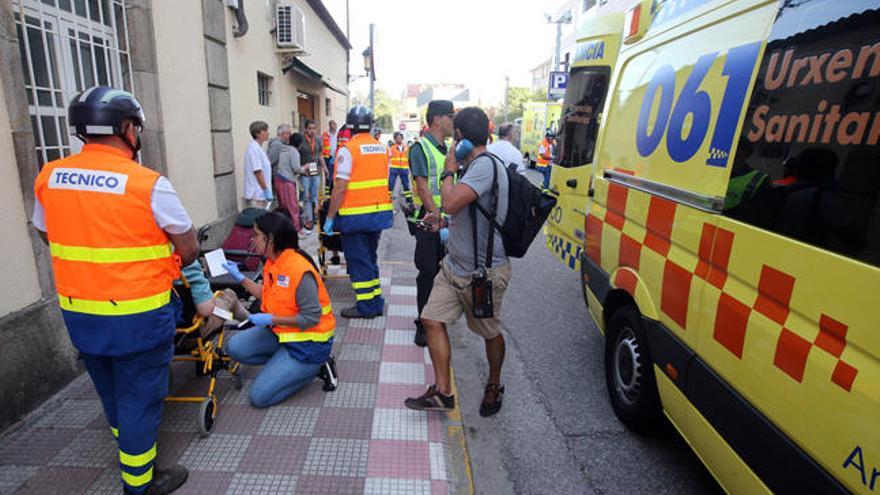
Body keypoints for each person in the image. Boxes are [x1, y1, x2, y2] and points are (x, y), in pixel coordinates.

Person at [32, 86, 197, 494]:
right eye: (136, 128)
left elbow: (44, 232)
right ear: (126, 129)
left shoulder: (50, 176)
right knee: (140, 398)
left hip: (81, 313)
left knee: (111, 394)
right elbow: (189, 247)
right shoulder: (148, 184)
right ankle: (140, 483)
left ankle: (131, 452)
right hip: (138, 317)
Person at [405, 107, 511, 418]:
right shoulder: (474, 166)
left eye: (455, 137)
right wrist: (444, 225)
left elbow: (449, 200)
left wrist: (448, 170)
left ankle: (494, 383)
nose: (452, 143)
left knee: (490, 332)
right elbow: (465, 211)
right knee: (431, 319)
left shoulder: (483, 166)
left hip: (483, 273)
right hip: (454, 268)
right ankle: (443, 392)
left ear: (461, 138)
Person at [222, 212, 338, 406]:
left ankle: (318, 365)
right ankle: (284, 364)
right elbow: (268, 293)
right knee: (234, 347)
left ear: (271, 239)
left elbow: (311, 318)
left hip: (309, 345)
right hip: (282, 335)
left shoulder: (299, 270)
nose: (252, 239)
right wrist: (240, 277)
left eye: (256, 235)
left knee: (259, 397)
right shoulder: (274, 261)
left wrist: (270, 320)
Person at [324, 106, 393, 318]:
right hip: (378, 214)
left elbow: (340, 187)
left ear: (349, 126)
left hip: (355, 216)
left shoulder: (347, 150)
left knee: (358, 261)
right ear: (371, 124)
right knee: (369, 259)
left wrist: (329, 218)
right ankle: (375, 301)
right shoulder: (383, 149)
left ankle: (366, 308)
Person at [408, 100, 454, 346]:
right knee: (427, 273)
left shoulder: (447, 148)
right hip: (429, 223)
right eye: (450, 116)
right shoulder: (420, 148)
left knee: (442, 274)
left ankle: (437, 318)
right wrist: (439, 217)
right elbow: (423, 189)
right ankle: (423, 324)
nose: (453, 121)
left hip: (446, 223)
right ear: (438, 119)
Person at [298, 119, 326, 234]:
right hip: (305, 173)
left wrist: (325, 168)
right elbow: (296, 155)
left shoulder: (318, 140)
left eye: (314, 128)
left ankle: (315, 218)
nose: (312, 131)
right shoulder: (301, 140)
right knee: (306, 197)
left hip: (316, 171)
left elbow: (320, 155)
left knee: (315, 196)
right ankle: (308, 219)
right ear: (305, 129)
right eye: (310, 128)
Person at [274, 132, 303, 231]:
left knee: (283, 208)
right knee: (293, 208)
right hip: (287, 182)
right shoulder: (294, 151)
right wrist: (306, 168)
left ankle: (284, 229)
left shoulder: (283, 149)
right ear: (299, 143)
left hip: (278, 180)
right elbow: (297, 168)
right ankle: (295, 231)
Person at [243, 121, 273, 208]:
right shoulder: (254, 149)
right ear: (257, 134)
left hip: (260, 194)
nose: (268, 133)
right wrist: (266, 190)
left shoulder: (258, 148)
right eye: (265, 130)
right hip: (256, 194)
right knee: (258, 220)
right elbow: (257, 171)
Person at [388, 131, 414, 205]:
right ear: (395, 139)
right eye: (397, 138)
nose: (399, 139)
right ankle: (388, 198)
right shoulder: (392, 148)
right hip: (394, 169)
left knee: (406, 184)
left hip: (404, 169)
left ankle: (409, 199)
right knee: (391, 184)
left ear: (402, 138)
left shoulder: (407, 147)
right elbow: (388, 157)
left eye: (400, 137)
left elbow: (409, 158)